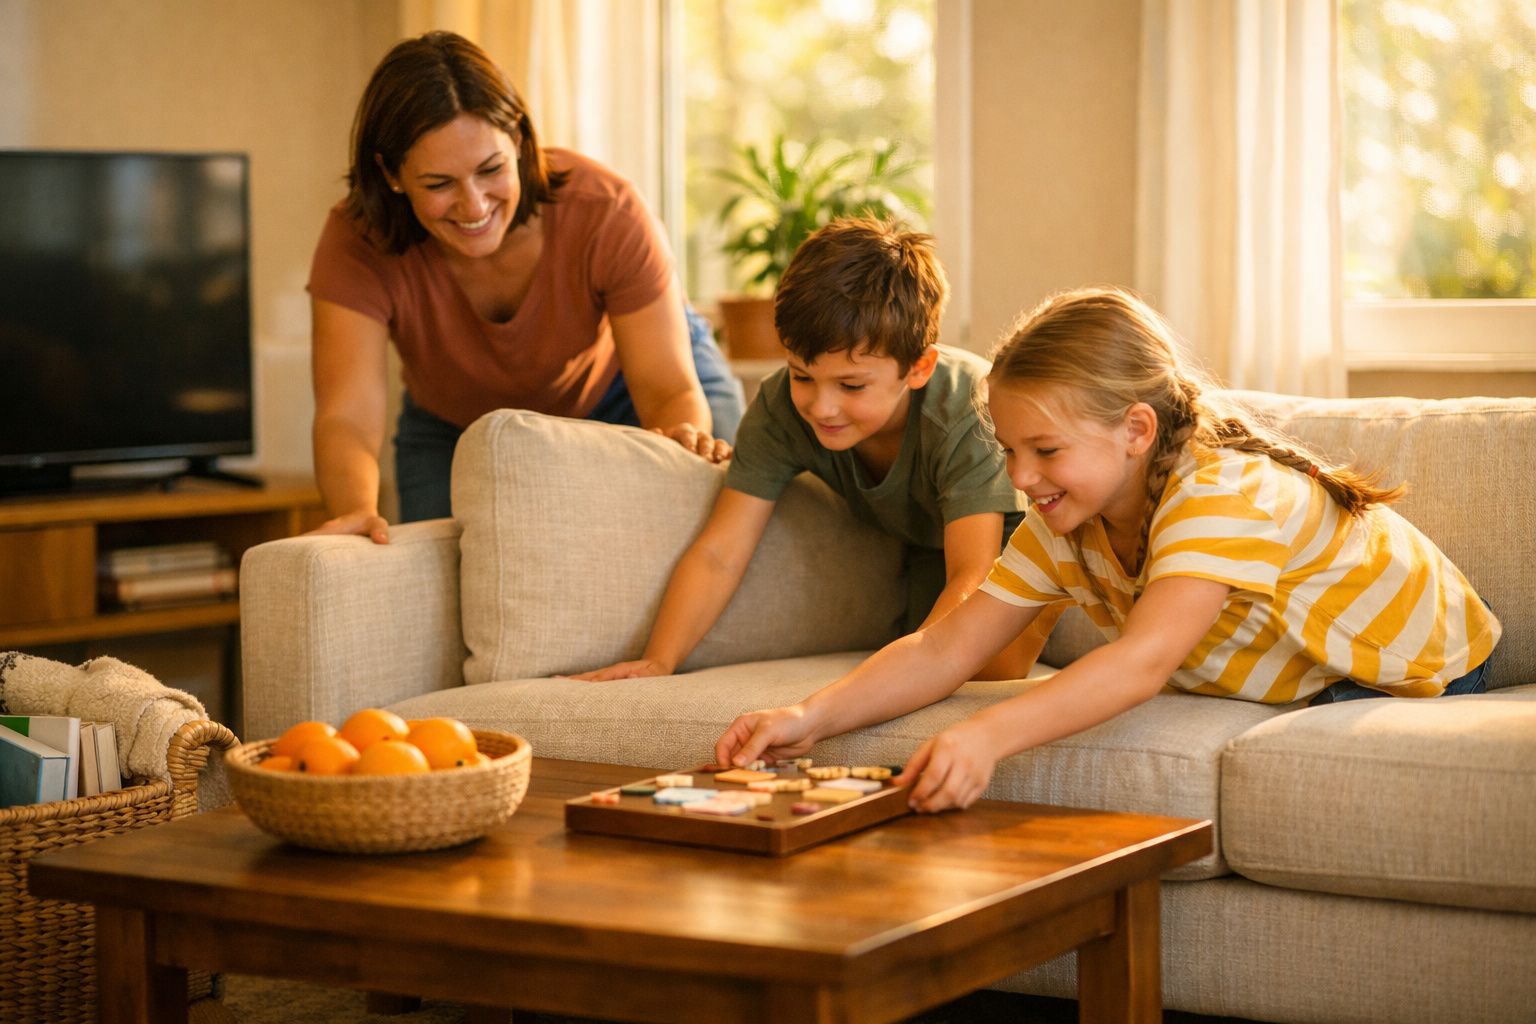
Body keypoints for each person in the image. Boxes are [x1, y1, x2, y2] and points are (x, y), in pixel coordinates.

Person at [715, 287, 1502, 812]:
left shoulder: (1218, 493)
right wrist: (808, 715)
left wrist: (987, 733)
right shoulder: (1071, 517)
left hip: (1421, 675)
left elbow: (1139, 665)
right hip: (1315, 672)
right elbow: (945, 645)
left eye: (1045, 451)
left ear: (1135, 430)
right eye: (1008, 449)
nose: (1020, 477)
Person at [575, 217, 1055, 684]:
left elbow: (973, 569)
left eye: (851, 384)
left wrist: (889, 682)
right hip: (924, 544)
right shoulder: (780, 407)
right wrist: (659, 660)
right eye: (802, 375)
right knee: (929, 650)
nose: (822, 406)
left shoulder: (965, 404)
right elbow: (721, 551)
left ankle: (1063, 584)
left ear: (919, 367)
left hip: (1014, 536)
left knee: (992, 667)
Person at [306, 31, 743, 543]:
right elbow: (347, 416)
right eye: (439, 184)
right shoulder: (358, 240)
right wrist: (356, 511)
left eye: (490, 169)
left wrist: (673, 465)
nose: (473, 207)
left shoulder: (606, 209)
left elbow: (667, 388)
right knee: (446, 582)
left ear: (517, 139)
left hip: (626, 385)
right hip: (456, 423)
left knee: (695, 532)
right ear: (391, 174)